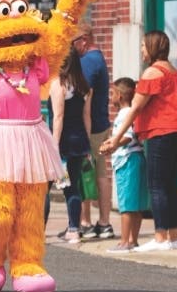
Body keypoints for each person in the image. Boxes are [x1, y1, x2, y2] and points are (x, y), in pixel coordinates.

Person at [107, 30, 177, 252]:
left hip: (162, 132)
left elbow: (135, 108)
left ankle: (161, 237)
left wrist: (116, 139)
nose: (142, 50)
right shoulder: (171, 70)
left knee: (157, 186)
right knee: (169, 185)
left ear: (153, 47)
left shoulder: (152, 73)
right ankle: (174, 237)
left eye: (144, 46)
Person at [99, 77, 149, 252]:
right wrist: (110, 143)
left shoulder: (123, 114)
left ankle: (124, 242)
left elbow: (127, 136)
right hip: (137, 158)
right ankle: (133, 240)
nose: (110, 96)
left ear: (119, 96)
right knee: (136, 203)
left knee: (126, 204)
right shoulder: (132, 113)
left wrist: (114, 144)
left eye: (112, 93)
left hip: (126, 161)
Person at [74, 25, 115, 239]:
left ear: (84, 40)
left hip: (90, 126)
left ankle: (86, 221)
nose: (71, 48)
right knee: (98, 173)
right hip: (100, 124)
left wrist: (83, 128)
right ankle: (104, 223)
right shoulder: (97, 58)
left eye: (73, 42)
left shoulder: (88, 62)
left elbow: (84, 97)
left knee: (87, 173)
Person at [49, 44, 92, 244]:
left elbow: (58, 117)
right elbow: (87, 117)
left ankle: (37, 230)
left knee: (43, 188)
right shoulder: (84, 86)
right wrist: (88, 144)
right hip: (79, 141)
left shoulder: (59, 84)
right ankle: (74, 229)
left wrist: (53, 146)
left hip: (62, 142)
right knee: (72, 186)